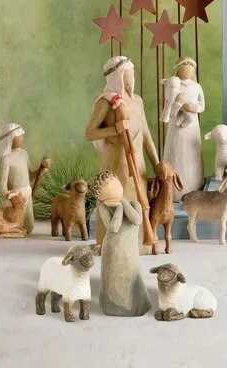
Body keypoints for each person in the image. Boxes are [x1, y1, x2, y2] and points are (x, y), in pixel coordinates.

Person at [85, 56, 159, 247]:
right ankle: (110, 244)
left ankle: (138, 243)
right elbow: (90, 133)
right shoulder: (106, 103)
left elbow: (146, 135)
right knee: (115, 204)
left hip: (137, 166)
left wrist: (156, 164)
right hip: (115, 166)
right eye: (128, 74)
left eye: (133, 74)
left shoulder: (137, 101)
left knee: (138, 205)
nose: (132, 78)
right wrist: (115, 129)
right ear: (117, 76)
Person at [93, 170, 152, 317]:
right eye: (108, 190)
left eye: (115, 185)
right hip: (112, 250)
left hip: (129, 251)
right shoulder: (104, 208)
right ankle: (113, 306)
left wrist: (122, 201)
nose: (114, 190)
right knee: (114, 279)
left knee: (131, 275)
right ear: (101, 197)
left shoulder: (134, 204)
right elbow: (114, 227)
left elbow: (136, 220)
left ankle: (134, 307)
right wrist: (118, 208)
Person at [161, 57, 205, 201]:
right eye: (184, 65)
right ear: (178, 69)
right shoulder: (173, 83)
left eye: (190, 66)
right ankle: (172, 191)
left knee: (191, 155)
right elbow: (169, 99)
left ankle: (193, 186)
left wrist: (194, 107)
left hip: (191, 127)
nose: (187, 68)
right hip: (176, 126)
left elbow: (202, 105)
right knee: (175, 152)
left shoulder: (197, 86)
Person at [0, 123, 50, 234]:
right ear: (11, 139)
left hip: (27, 196)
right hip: (15, 200)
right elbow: (2, 188)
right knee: (17, 225)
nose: (22, 138)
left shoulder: (24, 154)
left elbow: (30, 177)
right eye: (19, 136)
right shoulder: (5, 160)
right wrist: (11, 199)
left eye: (22, 135)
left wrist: (42, 169)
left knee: (29, 227)